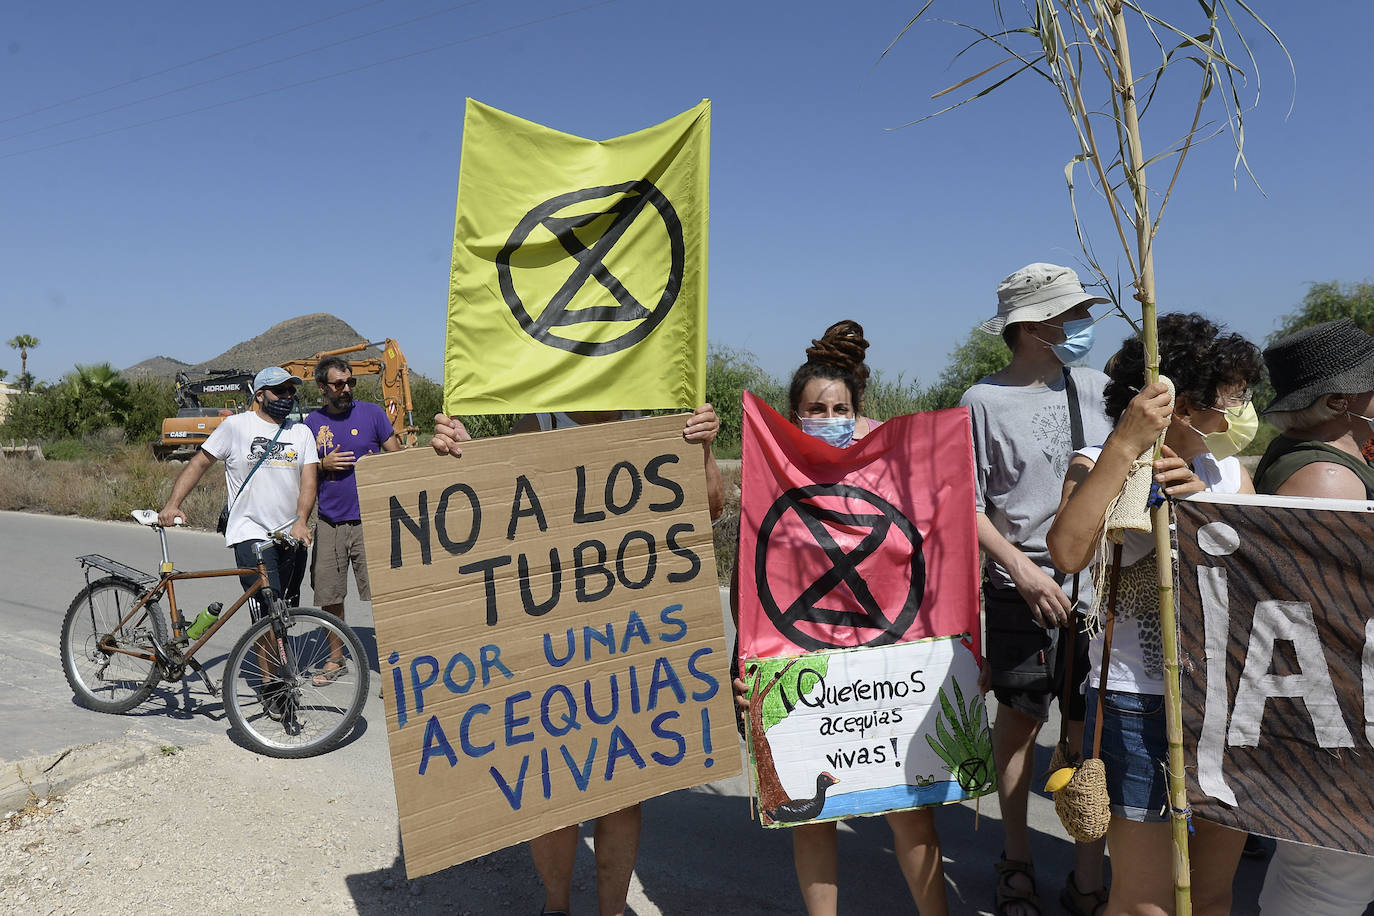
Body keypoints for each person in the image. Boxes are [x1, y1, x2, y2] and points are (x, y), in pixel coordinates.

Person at [432, 401, 723, 916]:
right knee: (552, 790)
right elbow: (492, 510)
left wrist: (703, 450)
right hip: (552, 642)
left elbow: (709, 511)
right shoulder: (537, 422)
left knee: (626, 792)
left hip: (627, 639)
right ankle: (556, 907)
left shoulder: (652, 427)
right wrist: (459, 453)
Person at [1046, 313, 1264, 916]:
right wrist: (1127, 444)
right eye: (1230, 397)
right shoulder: (1096, 461)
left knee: (1214, 894)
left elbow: (1263, 575)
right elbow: (1067, 552)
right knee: (1147, 901)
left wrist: (1207, 512)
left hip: (1224, 698)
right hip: (1136, 700)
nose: (1237, 412)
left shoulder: (1227, 472)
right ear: (1183, 402)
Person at [733, 320, 947, 916]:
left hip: (883, 663)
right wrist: (743, 659)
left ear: (859, 410)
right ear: (794, 416)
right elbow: (751, 578)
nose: (830, 415)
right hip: (802, 662)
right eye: (816, 408)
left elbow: (933, 556)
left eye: (841, 407)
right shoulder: (775, 477)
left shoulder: (888, 473)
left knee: (909, 808)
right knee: (813, 817)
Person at [961, 263, 1113, 916]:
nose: (1080, 324)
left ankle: (1087, 875)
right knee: (1019, 727)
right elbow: (965, 506)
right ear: (1030, 326)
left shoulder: (1100, 388)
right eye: (1068, 313)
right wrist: (1022, 573)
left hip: (1099, 592)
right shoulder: (982, 401)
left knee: (1087, 737)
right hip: (1019, 593)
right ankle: (1016, 858)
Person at [1252, 317, 1374, 914]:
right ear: (1339, 400)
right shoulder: (1327, 476)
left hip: (1328, 704)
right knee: (1331, 877)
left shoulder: (1310, 460)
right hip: (1342, 709)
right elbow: (1340, 606)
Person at [159, 365, 317, 608]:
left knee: (285, 608)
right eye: (279, 391)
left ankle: (272, 646)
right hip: (250, 531)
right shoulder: (236, 426)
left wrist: (301, 521)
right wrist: (172, 505)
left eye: (290, 391)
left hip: (289, 534)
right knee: (268, 605)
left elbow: (309, 482)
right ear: (260, 395)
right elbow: (198, 464)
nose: (287, 396)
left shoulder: (302, 432)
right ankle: (270, 647)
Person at [303, 355, 399, 684]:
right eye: (339, 384)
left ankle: (392, 667)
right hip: (329, 522)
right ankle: (336, 659)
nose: (346, 389)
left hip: (371, 521)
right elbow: (298, 475)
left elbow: (397, 456)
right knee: (329, 595)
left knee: (385, 596)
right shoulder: (310, 425)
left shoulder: (373, 414)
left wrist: (383, 464)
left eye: (350, 383)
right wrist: (322, 465)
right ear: (322, 388)